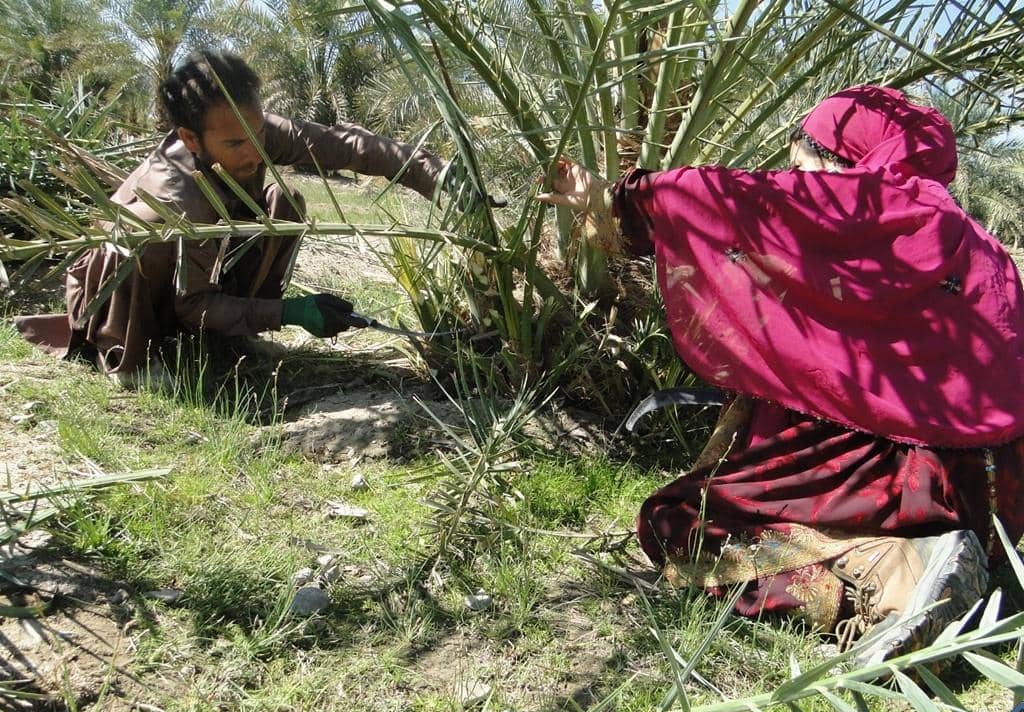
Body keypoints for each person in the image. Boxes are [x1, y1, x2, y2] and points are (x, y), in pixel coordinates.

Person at [538, 85, 1024, 664]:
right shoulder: (978, 243)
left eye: (801, 169)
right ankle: (944, 561)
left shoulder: (854, 206)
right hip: (1000, 506)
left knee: (678, 523)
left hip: (902, 482)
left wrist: (615, 198)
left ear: (840, 161)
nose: (795, 182)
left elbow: (711, 202)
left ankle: (885, 578)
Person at [15, 49, 486, 385]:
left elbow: (348, 146)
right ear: (191, 139)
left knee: (284, 204)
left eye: (259, 134)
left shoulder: (253, 132)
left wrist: (438, 176)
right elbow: (192, 305)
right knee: (149, 236)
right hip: (120, 294)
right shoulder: (175, 194)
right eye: (237, 144)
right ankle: (129, 356)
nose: (254, 150)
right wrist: (289, 314)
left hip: (193, 273)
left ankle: (238, 338)